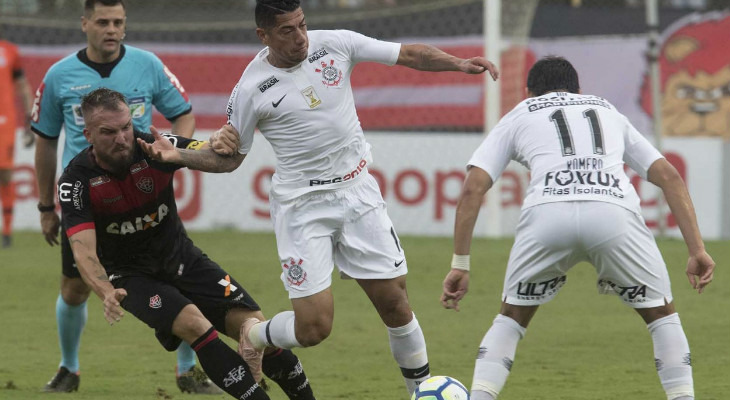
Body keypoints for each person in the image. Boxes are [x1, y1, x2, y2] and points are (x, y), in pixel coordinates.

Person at [145, 0, 499, 396]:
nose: (300, 38)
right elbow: (228, 159)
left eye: (302, 25)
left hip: (357, 191)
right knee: (314, 328)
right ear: (263, 35)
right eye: (287, 30)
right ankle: (255, 335)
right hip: (303, 207)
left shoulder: (336, 44)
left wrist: (458, 63)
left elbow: (408, 54)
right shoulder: (250, 89)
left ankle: (420, 391)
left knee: (396, 303)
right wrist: (178, 156)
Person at [440, 56, 716, 400]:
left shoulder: (520, 113)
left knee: (511, 319)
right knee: (662, 316)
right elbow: (670, 177)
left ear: (527, 93)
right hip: (612, 213)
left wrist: (460, 264)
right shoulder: (607, 109)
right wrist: (697, 250)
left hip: (547, 216)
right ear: (580, 90)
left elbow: (472, 188)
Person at [59, 87, 315, 400]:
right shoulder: (76, 182)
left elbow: (222, 158)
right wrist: (106, 292)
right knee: (196, 325)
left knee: (255, 329)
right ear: (87, 134)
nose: (122, 138)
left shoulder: (155, 146)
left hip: (182, 259)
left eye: (126, 127)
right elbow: (83, 250)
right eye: (108, 132)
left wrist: (200, 149)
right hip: (132, 277)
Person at [29, 0, 210, 393]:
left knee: (171, 278)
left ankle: (189, 372)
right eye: (103, 22)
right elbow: (44, 143)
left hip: (143, 197)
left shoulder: (148, 64)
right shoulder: (59, 75)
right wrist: (46, 206)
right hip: (87, 203)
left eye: (119, 22)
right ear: (84, 24)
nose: (112, 29)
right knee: (74, 288)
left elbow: (183, 114)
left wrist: (172, 157)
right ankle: (69, 368)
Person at [0, 35, 34, 248]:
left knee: (5, 174)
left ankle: (7, 232)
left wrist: (29, 120)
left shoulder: (9, 51)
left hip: (4, 122)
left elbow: (22, 86)